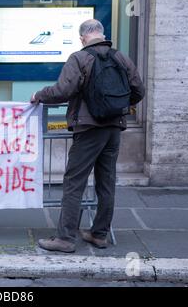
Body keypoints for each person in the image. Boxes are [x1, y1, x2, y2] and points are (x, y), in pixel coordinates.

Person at [31, 19, 145, 253]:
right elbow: (138, 91)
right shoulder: (120, 57)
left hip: (89, 128)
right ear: (102, 34)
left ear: (83, 37)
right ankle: (99, 234)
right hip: (114, 128)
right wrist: (116, 107)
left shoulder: (80, 57)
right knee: (106, 182)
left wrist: (39, 95)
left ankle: (65, 238)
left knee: (74, 182)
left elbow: (62, 91)